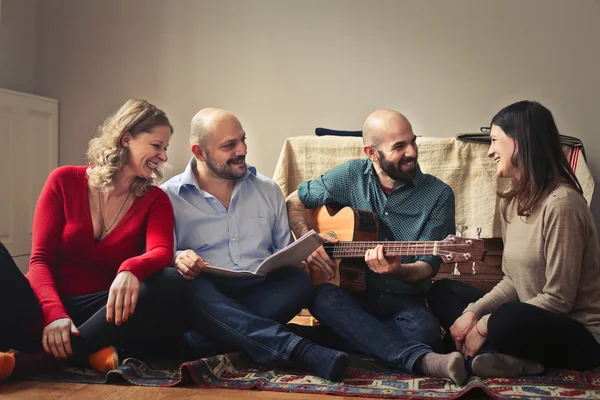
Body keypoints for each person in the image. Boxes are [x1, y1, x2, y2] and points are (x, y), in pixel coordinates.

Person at [160, 107, 349, 382]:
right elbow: (159, 254)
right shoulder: (168, 197)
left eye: (243, 140)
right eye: (229, 145)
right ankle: (299, 349)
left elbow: (284, 252)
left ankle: (203, 343)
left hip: (258, 290)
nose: (242, 150)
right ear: (199, 152)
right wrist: (177, 257)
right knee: (184, 284)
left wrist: (300, 259)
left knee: (297, 282)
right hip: (207, 293)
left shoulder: (268, 189)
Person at [0, 98, 183, 381]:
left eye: (165, 148)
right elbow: (40, 261)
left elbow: (161, 250)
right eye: (157, 145)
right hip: (48, 303)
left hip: (105, 312)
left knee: (170, 281)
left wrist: (131, 269)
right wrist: (54, 314)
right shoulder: (63, 180)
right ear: (126, 139)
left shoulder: (155, 199)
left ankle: (34, 362)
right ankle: (89, 349)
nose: (163, 156)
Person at [286, 109, 468, 385]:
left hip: (403, 303)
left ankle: (321, 341)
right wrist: (307, 239)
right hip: (349, 298)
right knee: (321, 297)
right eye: (399, 146)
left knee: (425, 331)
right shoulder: (350, 176)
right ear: (372, 153)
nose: (412, 152)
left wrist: (398, 270)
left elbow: (427, 268)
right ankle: (421, 359)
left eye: (413, 141)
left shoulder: (439, 195)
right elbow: (294, 200)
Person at [427, 100, 600, 378]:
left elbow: (558, 300)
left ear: (520, 141)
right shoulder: (512, 202)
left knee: (506, 318)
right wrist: (473, 313)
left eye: (495, 140)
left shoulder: (563, 204)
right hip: (529, 319)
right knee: (441, 291)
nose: (490, 151)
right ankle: (507, 360)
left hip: (576, 333)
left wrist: (485, 324)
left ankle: (488, 352)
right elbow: (511, 281)